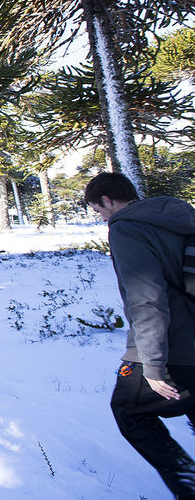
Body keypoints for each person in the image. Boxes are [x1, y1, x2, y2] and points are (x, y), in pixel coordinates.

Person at [85, 171, 195, 498]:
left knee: (129, 410)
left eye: (98, 211)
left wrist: (152, 363)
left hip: (171, 345)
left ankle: (187, 481)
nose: (101, 218)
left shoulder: (126, 228)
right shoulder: (179, 215)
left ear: (107, 200)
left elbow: (147, 299)